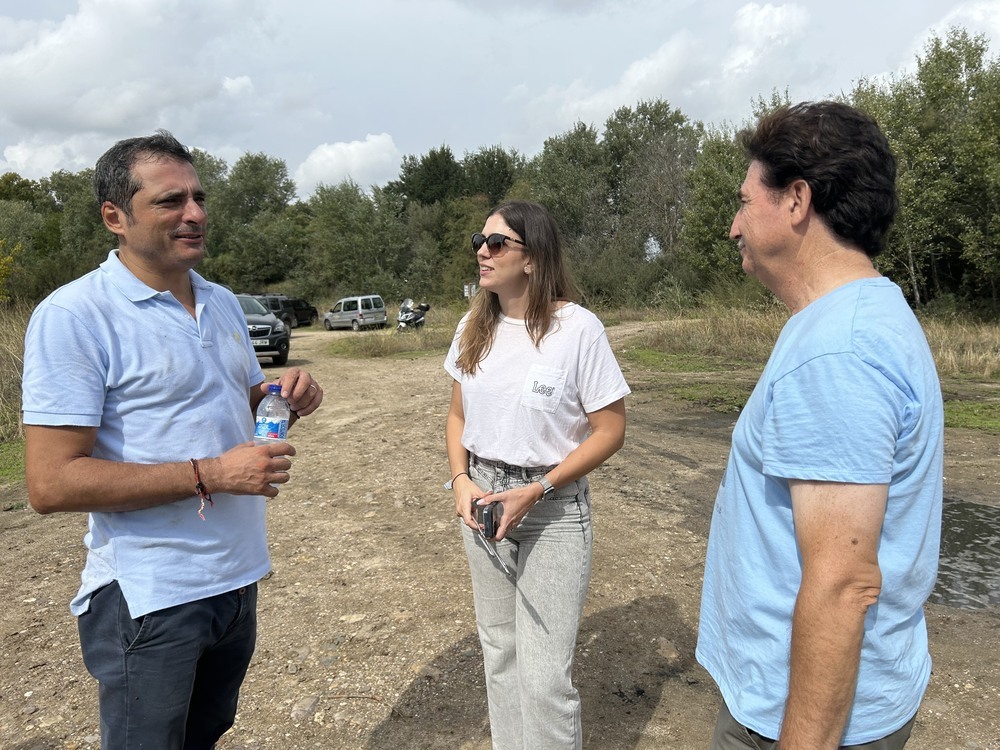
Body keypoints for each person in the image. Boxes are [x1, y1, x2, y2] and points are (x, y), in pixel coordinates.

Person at [21, 130, 323, 750]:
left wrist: (279, 400)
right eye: (169, 201)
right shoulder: (76, 316)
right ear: (115, 217)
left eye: (198, 197)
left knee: (204, 735)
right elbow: (50, 483)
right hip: (150, 595)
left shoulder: (220, 301)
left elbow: (231, 409)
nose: (195, 214)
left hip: (234, 579)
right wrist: (212, 472)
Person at [696, 102, 944, 749]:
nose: (733, 227)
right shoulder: (858, 319)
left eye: (746, 202)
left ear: (797, 199)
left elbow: (842, 584)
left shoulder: (839, 352)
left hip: (800, 721)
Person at [444, 200, 630, 749]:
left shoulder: (578, 329)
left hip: (551, 507)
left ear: (532, 258)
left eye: (497, 242)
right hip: (482, 502)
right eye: (480, 240)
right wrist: (460, 480)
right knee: (500, 653)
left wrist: (541, 487)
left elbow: (610, 429)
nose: (482, 250)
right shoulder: (473, 325)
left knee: (545, 677)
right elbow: (457, 417)